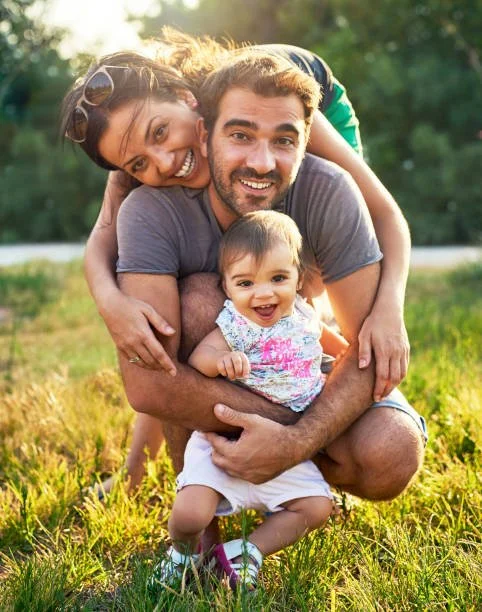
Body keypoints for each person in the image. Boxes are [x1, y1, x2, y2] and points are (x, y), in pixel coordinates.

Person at [61, 48, 426, 506]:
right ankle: (147, 475)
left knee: (299, 265)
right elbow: (102, 239)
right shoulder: (137, 162)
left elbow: (387, 215)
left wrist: (390, 307)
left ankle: (302, 387)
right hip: (216, 148)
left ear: (189, 101)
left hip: (312, 90)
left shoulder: (278, 119)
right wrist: (109, 301)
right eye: (138, 164)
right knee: (195, 295)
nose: (164, 162)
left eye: (160, 133)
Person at [150, 211, 336, 591]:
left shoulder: (304, 314)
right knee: (189, 515)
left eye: (278, 279)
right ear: (227, 287)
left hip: (285, 447)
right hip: (227, 439)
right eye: (246, 282)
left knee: (317, 508)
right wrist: (224, 361)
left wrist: (357, 359)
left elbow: (335, 348)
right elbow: (201, 359)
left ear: (298, 278)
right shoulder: (236, 323)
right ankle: (182, 557)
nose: (264, 293)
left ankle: (246, 552)